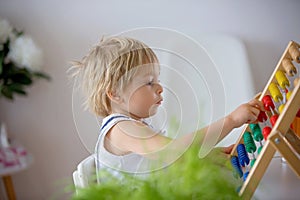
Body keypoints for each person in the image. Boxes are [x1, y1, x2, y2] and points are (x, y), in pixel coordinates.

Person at [70, 36, 264, 180]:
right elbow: (174, 153)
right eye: (148, 82)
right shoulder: (122, 129)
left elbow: (164, 162)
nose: (160, 87)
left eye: (158, 79)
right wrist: (230, 121)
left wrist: (207, 156)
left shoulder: (134, 126)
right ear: (115, 93)